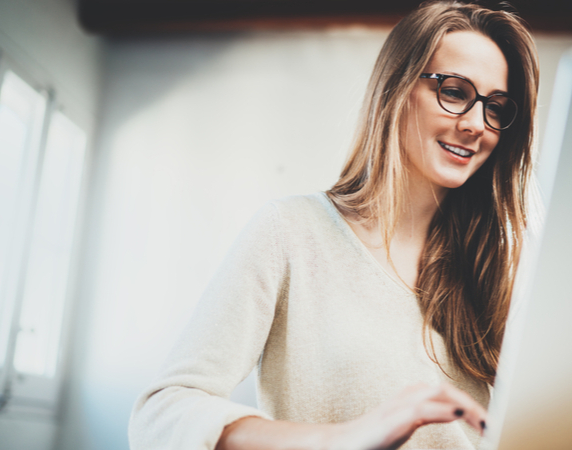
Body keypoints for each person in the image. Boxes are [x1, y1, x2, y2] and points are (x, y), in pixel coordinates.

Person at [128, 1, 539, 449]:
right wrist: (345, 438)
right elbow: (162, 414)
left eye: (496, 108)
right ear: (396, 88)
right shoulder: (290, 233)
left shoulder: (501, 267)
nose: (478, 124)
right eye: (455, 92)